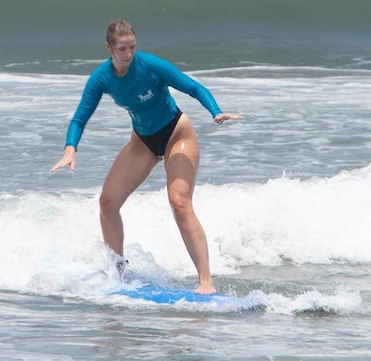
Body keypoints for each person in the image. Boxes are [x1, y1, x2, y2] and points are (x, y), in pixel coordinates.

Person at [50, 20, 242, 294]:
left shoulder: (150, 65)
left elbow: (193, 87)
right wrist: (71, 148)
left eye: (132, 48)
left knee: (179, 202)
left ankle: (206, 282)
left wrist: (215, 111)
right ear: (109, 48)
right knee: (107, 202)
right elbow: (81, 116)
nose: (128, 54)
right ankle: (116, 274)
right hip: (143, 141)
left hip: (178, 134)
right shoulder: (101, 78)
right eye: (121, 49)